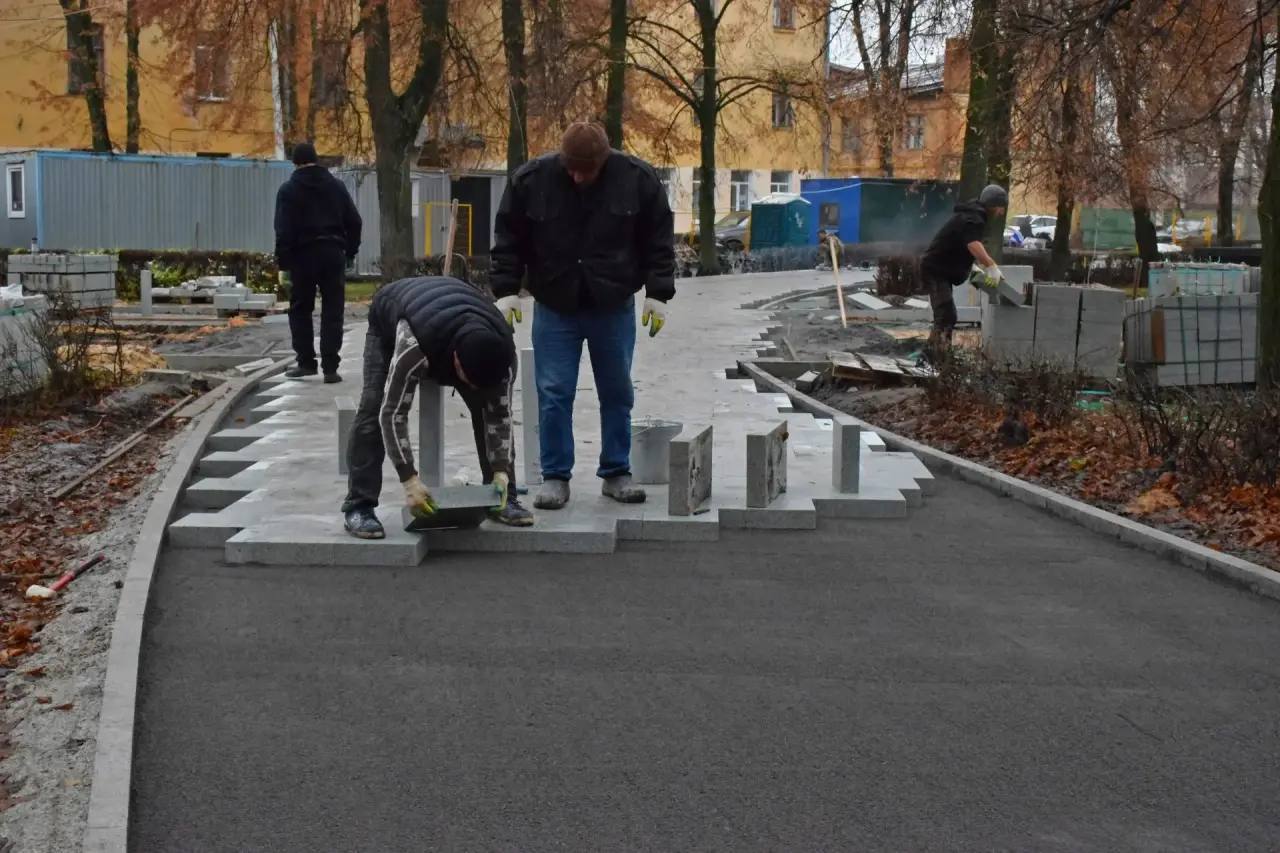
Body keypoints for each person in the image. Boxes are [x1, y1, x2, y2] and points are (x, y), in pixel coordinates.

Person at [490, 121, 676, 511]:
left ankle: (616, 472)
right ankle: (556, 476)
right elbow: (508, 238)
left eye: (585, 170)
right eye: (571, 168)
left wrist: (659, 292)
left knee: (617, 391)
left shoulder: (637, 180)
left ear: (603, 161)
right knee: (554, 393)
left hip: (613, 304)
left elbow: (658, 237)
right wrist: (506, 290)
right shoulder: (532, 181)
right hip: (556, 305)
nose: (577, 176)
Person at [340, 276, 534, 539]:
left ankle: (502, 496)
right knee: (373, 408)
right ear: (456, 363)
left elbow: (500, 415)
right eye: (470, 382)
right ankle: (359, 506)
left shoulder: (503, 355)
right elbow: (393, 414)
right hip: (397, 312)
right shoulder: (413, 347)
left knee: (487, 404)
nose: (474, 389)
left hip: (456, 315)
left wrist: (501, 471)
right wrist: (409, 480)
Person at [274, 142, 362, 383]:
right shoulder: (337, 187)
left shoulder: (288, 190)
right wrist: (350, 252)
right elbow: (355, 221)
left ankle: (306, 363)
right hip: (333, 252)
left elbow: (283, 230)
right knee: (333, 309)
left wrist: (284, 265)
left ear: (295, 162)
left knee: (301, 309)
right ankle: (331, 368)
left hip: (302, 256)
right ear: (316, 159)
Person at [919, 184, 1008, 359]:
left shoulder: (972, 215)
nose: (1001, 213)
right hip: (936, 270)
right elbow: (973, 244)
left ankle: (936, 356)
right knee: (946, 315)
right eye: (1001, 208)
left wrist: (971, 268)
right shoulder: (975, 218)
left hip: (940, 269)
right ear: (993, 205)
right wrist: (991, 266)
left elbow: (961, 244)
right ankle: (933, 358)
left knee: (946, 316)